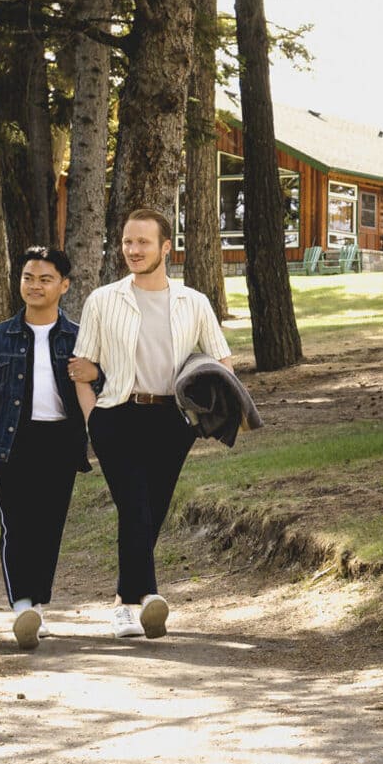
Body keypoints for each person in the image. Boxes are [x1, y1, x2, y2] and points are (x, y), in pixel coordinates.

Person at [68, 208, 233, 639]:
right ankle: (143, 599)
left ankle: (126, 598)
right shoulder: (103, 300)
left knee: (152, 509)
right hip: (117, 416)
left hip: (172, 422)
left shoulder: (193, 302)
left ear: (165, 247)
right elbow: (81, 367)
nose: (133, 250)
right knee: (135, 505)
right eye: (127, 242)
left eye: (142, 242)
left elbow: (223, 359)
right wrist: (92, 420)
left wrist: (205, 409)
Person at [0, 247, 93, 650]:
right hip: (8, 443)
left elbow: (102, 389)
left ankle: (39, 605)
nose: (35, 285)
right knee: (16, 526)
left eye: (45, 279)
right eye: (28, 277)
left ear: (64, 285)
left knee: (49, 528)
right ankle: (22, 605)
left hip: (60, 442)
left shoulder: (80, 337)